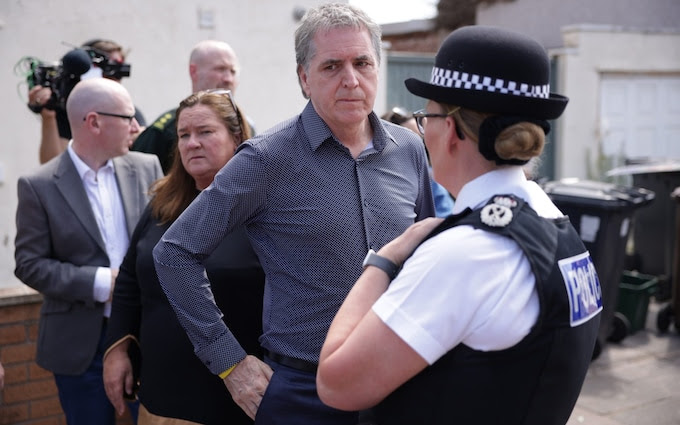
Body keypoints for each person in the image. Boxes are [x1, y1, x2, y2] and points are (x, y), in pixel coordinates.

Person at [153, 3, 434, 424]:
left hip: (401, 385)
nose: (351, 80)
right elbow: (174, 253)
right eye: (332, 67)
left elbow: (427, 253)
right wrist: (230, 363)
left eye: (362, 63)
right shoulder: (266, 159)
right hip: (305, 395)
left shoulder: (409, 149)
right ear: (304, 78)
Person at [317, 25, 603, 425]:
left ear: (449, 130)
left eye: (426, 116)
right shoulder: (555, 225)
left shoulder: (467, 252)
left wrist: (382, 262)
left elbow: (336, 384)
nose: (422, 130)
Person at [102, 89, 265, 425]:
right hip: (160, 396)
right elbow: (130, 279)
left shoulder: (265, 209)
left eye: (205, 132)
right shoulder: (163, 203)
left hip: (235, 396)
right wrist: (117, 350)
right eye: (184, 135)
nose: (192, 143)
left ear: (237, 137)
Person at [14, 78, 163, 425]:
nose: (137, 126)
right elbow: (29, 264)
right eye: (128, 117)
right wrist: (99, 282)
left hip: (145, 332)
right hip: (80, 343)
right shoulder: (37, 186)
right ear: (94, 122)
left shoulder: (147, 167)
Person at [28, 38, 147, 164]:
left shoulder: (129, 113)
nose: (114, 81)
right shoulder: (68, 115)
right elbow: (52, 168)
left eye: (118, 74)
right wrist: (48, 117)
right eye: (108, 72)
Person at [132, 40, 244, 173]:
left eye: (233, 71)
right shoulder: (165, 130)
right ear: (194, 71)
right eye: (220, 69)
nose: (228, 79)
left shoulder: (244, 124)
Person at [382, 106, 454, 217]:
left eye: (419, 138)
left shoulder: (430, 179)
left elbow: (446, 220)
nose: (417, 144)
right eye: (409, 137)